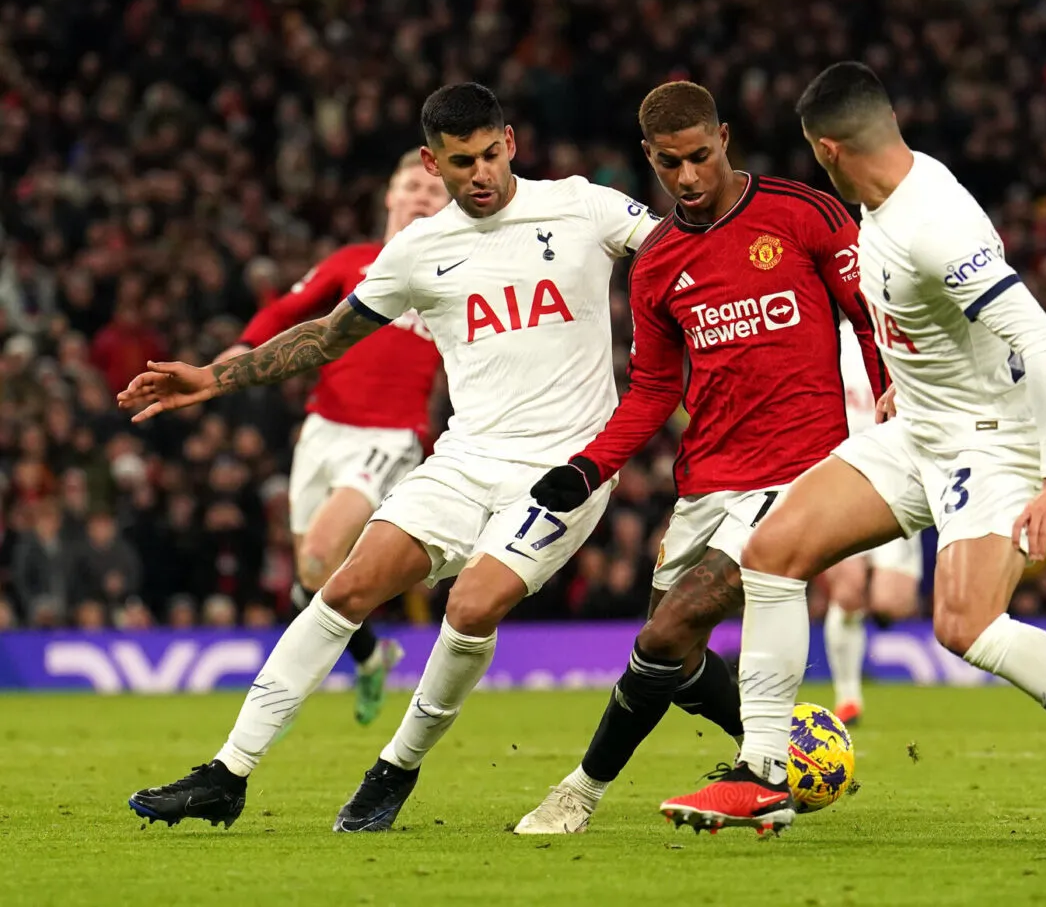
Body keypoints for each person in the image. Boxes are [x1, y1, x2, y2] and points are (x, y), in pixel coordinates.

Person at [658, 63, 1046, 859]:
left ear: (829, 147)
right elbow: (924, 323)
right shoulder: (884, 200)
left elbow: (1043, 342)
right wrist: (902, 384)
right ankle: (763, 770)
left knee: (966, 626)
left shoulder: (934, 222)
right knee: (771, 552)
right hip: (919, 427)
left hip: (991, 442)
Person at [121, 82, 659, 833]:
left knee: (471, 604)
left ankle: (395, 767)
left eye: (490, 154)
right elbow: (325, 336)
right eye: (460, 160)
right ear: (430, 161)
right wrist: (214, 376)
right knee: (344, 588)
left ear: (511, 141)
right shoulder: (417, 251)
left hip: (566, 468)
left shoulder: (584, 205)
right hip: (464, 459)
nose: (480, 173)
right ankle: (226, 773)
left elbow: (686, 254)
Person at [512, 81, 884, 835]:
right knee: (673, 659)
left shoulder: (803, 212)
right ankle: (783, 745)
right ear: (649, 158)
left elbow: (872, 318)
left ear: (725, 137)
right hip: (709, 478)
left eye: (700, 156)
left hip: (801, 472)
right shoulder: (657, 264)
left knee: (663, 630)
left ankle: (583, 791)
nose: (688, 177)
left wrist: (889, 407)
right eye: (671, 163)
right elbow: (652, 388)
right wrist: (590, 465)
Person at [214, 151, 450, 725]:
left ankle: (279, 706)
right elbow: (291, 309)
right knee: (311, 578)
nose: (422, 195)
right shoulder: (354, 263)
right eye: (412, 184)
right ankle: (372, 657)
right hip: (323, 430)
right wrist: (246, 347)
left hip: (390, 437)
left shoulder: (455, 274)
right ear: (390, 196)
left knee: (322, 553)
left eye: (434, 190)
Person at [820, 319, 923, 727]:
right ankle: (848, 698)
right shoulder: (825, 340)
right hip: (843, 483)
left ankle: (870, 609)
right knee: (846, 592)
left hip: (898, 484)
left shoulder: (899, 341)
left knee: (892, 603)